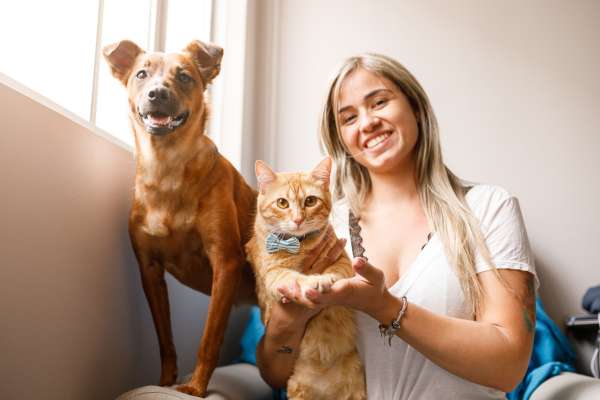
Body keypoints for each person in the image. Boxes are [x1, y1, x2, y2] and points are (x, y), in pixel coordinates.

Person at [256, 53, 538, 399]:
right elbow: (274, 374)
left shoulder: (489, 208)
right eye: (348, 118)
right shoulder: (315, 227)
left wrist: (384, 305)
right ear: (341, 139)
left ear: (415, 107)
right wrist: (289, 318)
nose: (367, 122)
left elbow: (507, 368)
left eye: (379, 102)